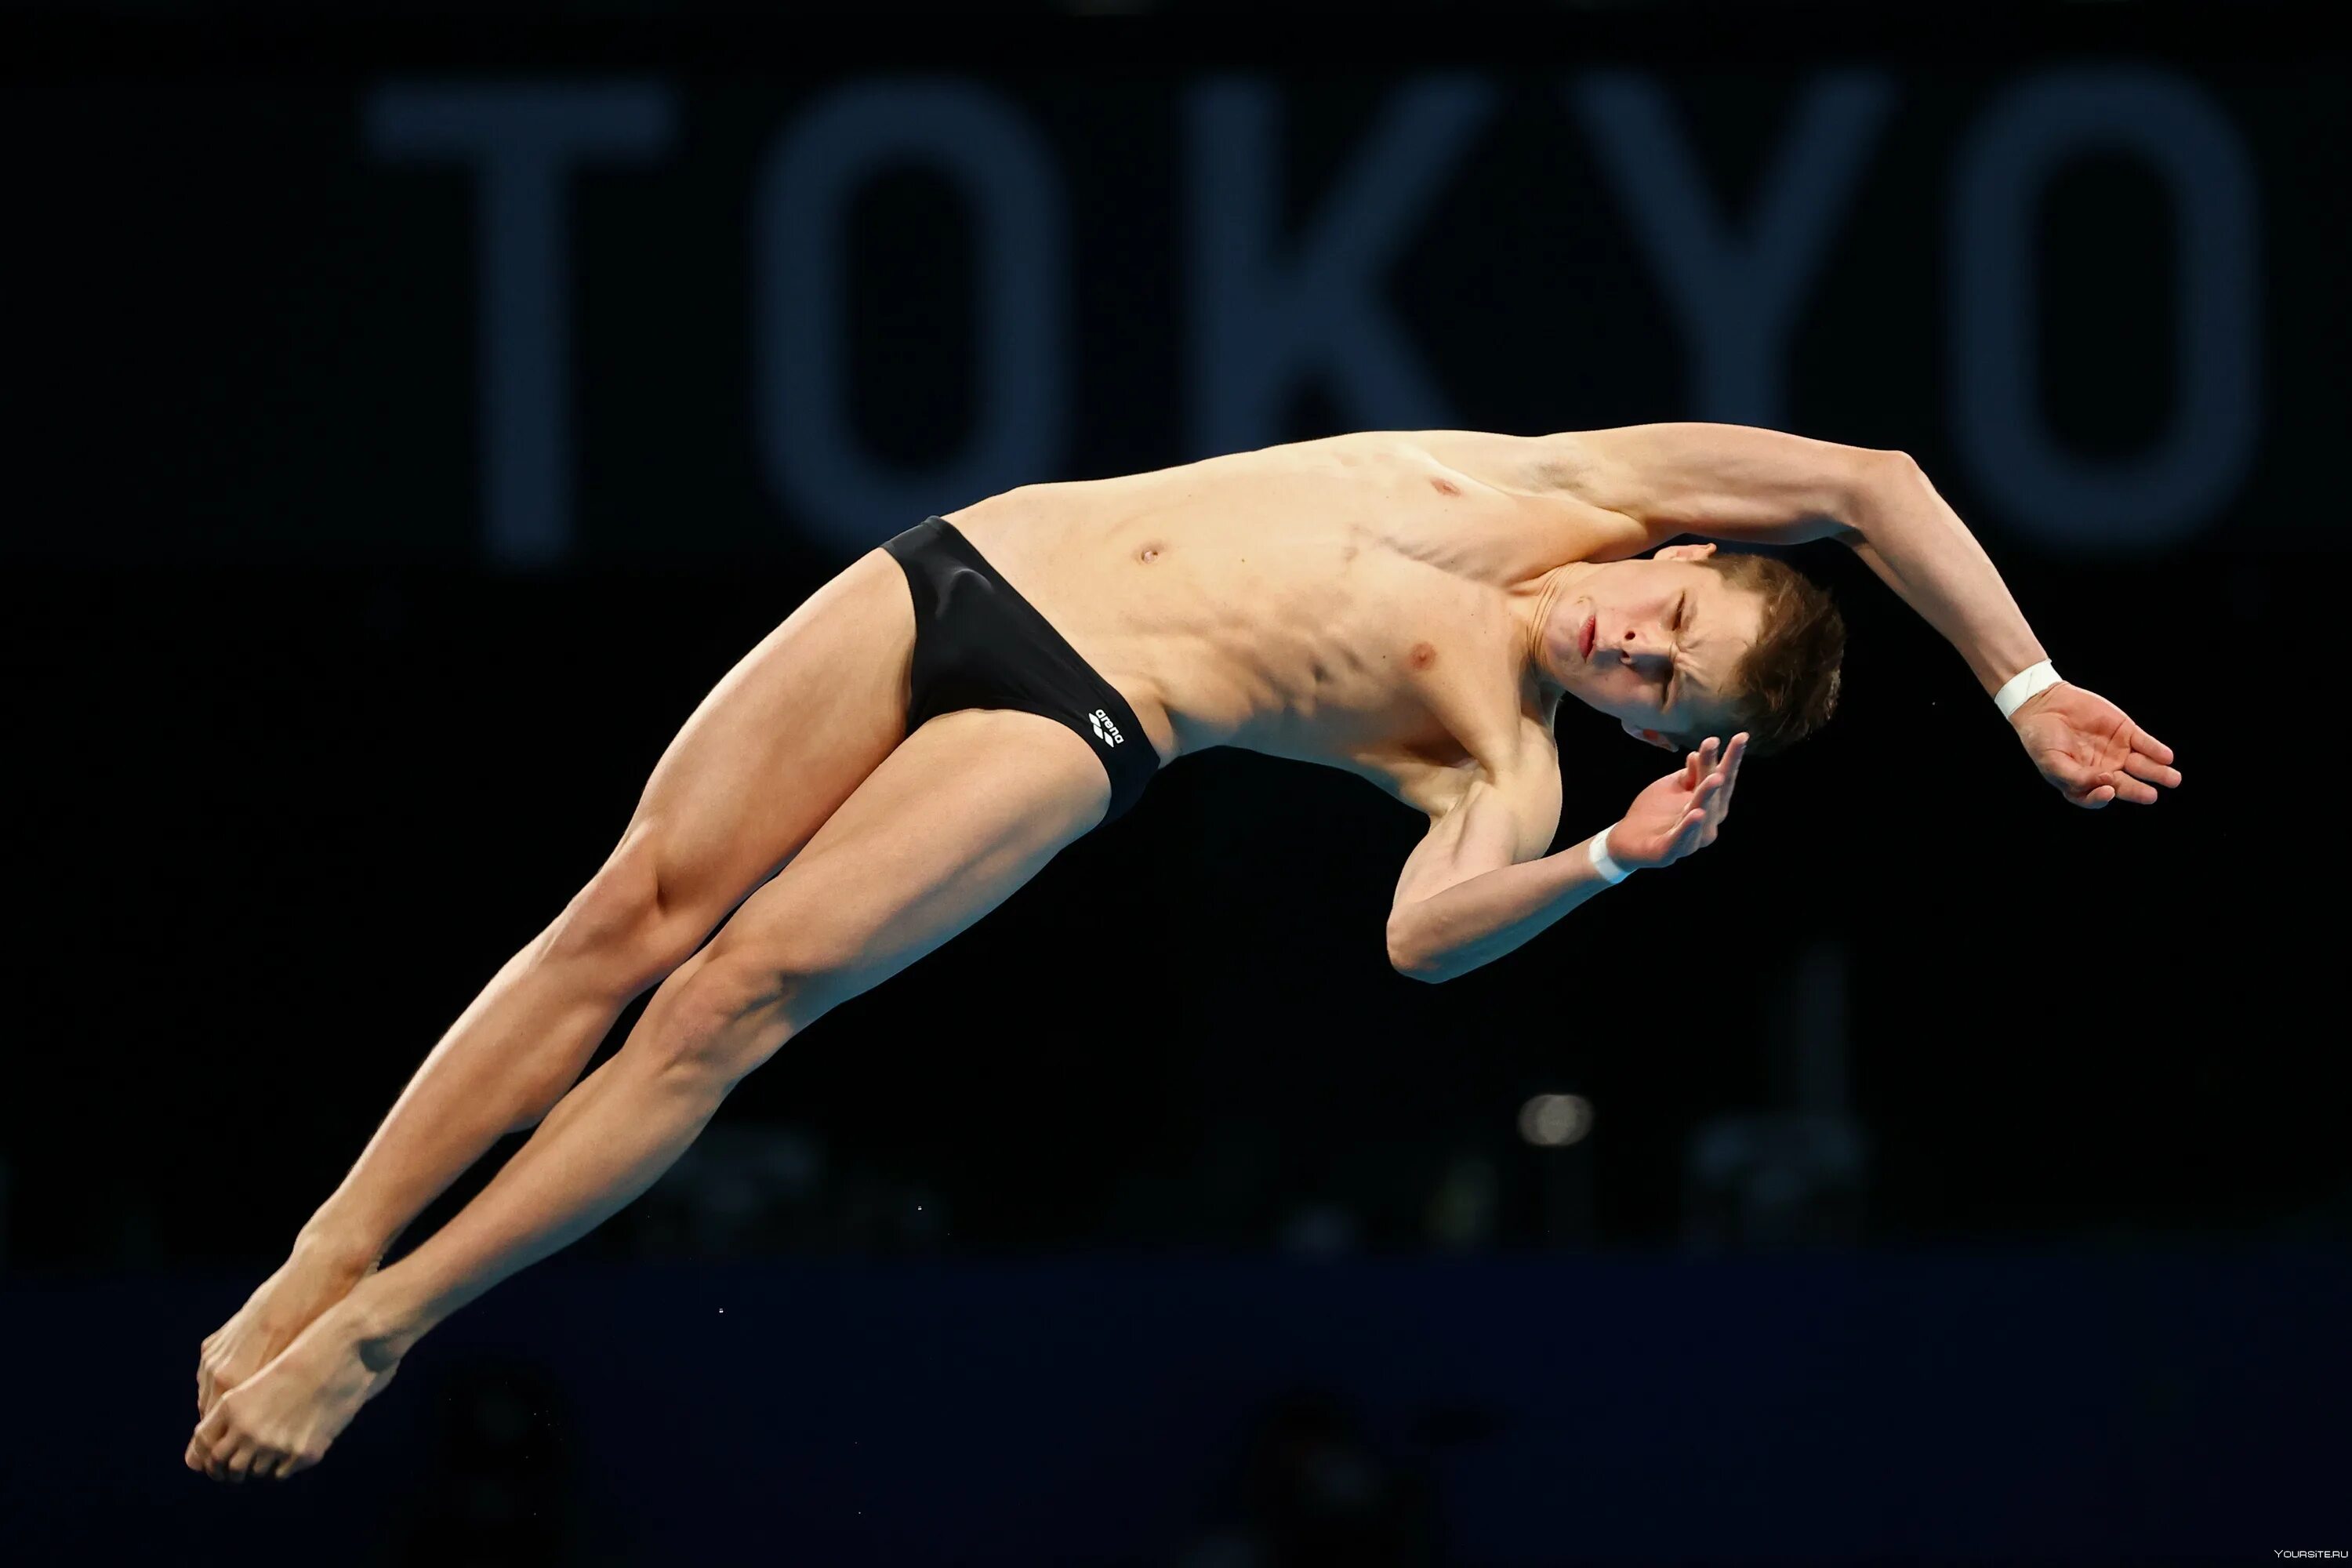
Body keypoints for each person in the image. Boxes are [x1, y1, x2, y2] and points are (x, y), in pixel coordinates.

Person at [186, 423, 2177, 1480]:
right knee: (623, 914)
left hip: (1075, 720)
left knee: (725, 1003)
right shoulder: (1564, 481)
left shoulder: (1498, 752)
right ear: (1676, 553)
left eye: (1664, 694)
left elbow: (1422, 944)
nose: (1631, 653)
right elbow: (1870, 484)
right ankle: (322, 1254)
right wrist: (2024, 687)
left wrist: (1602, 865)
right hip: (974, 557)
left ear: (1667, 742)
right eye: (1669, 623)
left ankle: (383, 1328)